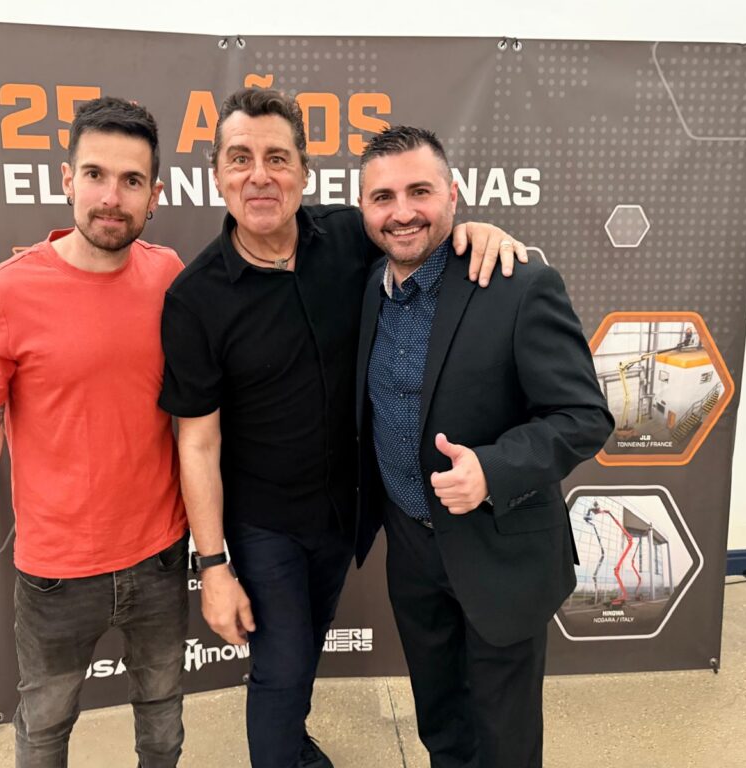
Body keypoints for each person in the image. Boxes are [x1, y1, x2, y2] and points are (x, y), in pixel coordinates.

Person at [157, 87, 526, 768]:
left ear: (304, 172)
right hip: (264, 523)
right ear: (217, 175)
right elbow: (197, 442)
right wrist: (212, 566)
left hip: (345, 514)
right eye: (240, 158)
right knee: (282, 669)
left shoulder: (353, 237)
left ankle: (294, 747)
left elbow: (420, 233)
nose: (259, 175)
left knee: (301, 656)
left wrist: (480, 231)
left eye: (277, 158)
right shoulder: (194, 298)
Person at [0, 97, 190, 768]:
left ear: (155, 195)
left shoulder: (169, 276)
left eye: (131, 180)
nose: (111, 197)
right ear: (68, 180)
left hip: (161, 558)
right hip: (55, 573)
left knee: (163, 726)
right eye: (95, 175)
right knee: (43, 732)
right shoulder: (3, 293)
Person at [354, 126, 614, 768]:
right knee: (441, 722)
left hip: (500, 548)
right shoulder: (367, 286)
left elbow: (584, 416)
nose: (402, 212)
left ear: (453, 195)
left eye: (420, 191)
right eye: (383, 197)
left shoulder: (518, 283)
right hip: (412, 549)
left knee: (505, 739)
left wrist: (492, 470)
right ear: (363, 208)